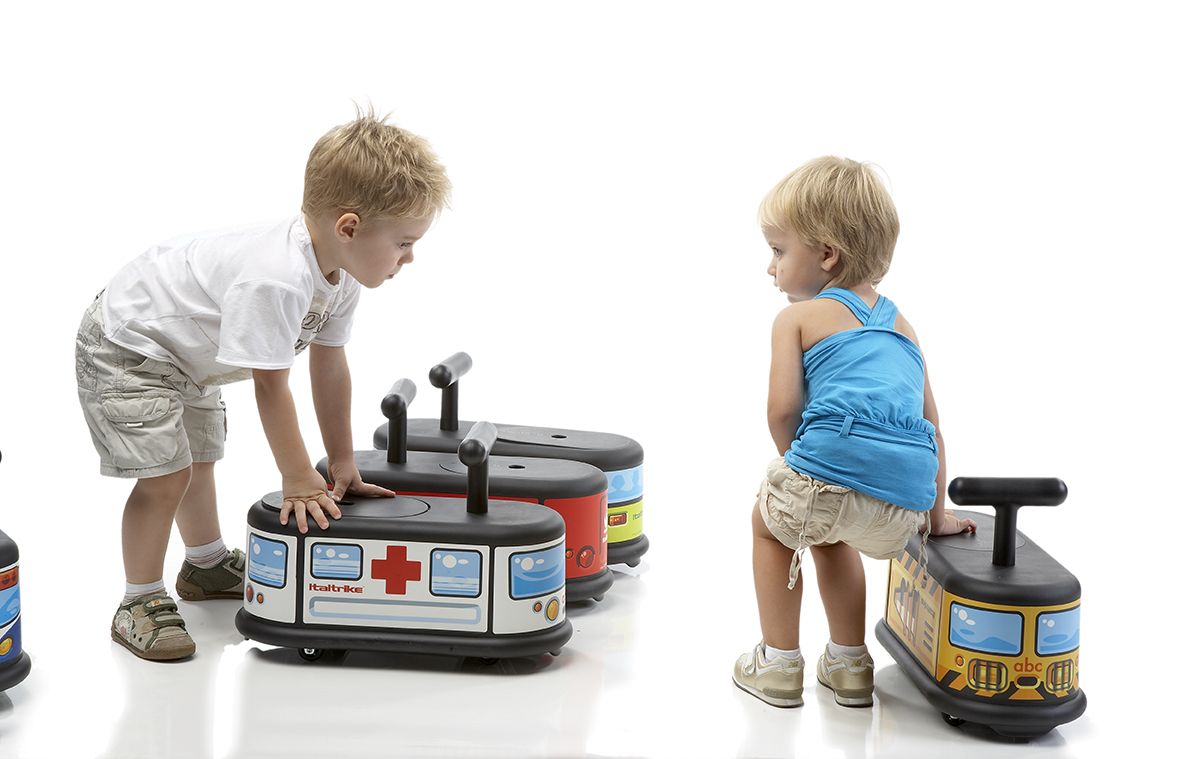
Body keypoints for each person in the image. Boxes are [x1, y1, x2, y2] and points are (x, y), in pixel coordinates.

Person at [74, 108, 450, 661]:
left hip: (191, 356)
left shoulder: (341, 274)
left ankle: (205, 565)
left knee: (201, 458)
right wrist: (298, 478)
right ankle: (139, 600)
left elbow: (329, 366)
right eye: (403, 243)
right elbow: (270, 387)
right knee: (167, 474)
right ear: (349, 228)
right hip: (129, 345)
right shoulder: (277, 278)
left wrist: (341, 461)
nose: (410, 258)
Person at [732, 157, 977, 708]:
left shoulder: (796, 319)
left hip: (824, 480)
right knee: (832, 535)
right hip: (903, 507)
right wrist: (936, 519)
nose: (770, 267)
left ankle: (778, 664)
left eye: (778, 250)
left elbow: (781, 412)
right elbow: (933, 429)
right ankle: (850, 666)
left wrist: (801, 468)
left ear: (826, 254)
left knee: (771, 529)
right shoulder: (904, 327)